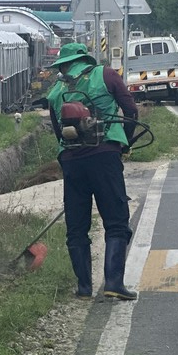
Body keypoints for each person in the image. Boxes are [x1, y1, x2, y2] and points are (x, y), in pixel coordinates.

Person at [45, 41, 139, 300]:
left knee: (77, 225)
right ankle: (113, 284)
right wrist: (123, 143)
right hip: (104, 157)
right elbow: (131, 110)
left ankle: (84, 287)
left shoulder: (55, 92)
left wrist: (69, 156)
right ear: (86, 59)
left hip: (72, 162)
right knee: (116, 219)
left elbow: (57, 132)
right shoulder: (106, 74)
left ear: (64, 66)